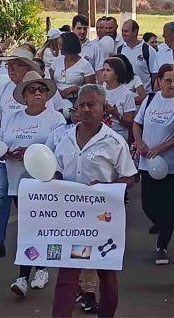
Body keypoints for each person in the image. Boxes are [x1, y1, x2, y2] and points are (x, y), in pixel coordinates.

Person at [51, 85, 137, 318]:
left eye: (92, 105)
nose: (86, 109)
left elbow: (129, 176)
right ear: (76, 108)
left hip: (103, 219)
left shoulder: (113, 141)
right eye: (82, 105)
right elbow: (57, 171)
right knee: (68, 276)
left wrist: (104, 188)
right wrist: (51, 183)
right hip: (72, 218)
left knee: (106, 273)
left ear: (103, 109)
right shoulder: (66, 139)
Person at [0, 48, 63, 259]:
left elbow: (50, 122)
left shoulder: (44, 93)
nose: (10, 68)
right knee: (2, 196)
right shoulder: (6, 88)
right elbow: (0, 120)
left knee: (37, 211)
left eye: (15, 64)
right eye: (8, 65)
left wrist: (35, 151)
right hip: (8, 155)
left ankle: (43, 254)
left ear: (28, 67)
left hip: (36, 165)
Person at [0, 71, 65, 298]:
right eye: (32, 90)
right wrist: (5, 152)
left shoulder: (56, 118)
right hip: (19, 182)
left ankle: (24, 276)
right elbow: (2, 139)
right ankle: (41, 268)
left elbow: (56, 146)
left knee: (32, 227)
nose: (37, 93)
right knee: (30, 227)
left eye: (42, 89)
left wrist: (29, 152)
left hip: (43, 182)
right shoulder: (14, 117)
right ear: (24, 96)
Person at [133, 64, 174, 265]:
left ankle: (163, 244)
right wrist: (139, 142)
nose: (172, 84)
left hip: (171, 163)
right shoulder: (150, 99)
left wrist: (162, 148)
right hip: (148, 161)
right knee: (148, 204)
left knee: (166, 205)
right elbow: (137, 123)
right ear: (159, 81)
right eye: (168, 80)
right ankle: (166, 223)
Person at [51, 32, 97, 101]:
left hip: (75, 99)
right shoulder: (57, 61)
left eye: (61, 45)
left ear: (68, 45)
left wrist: (75, 88)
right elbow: (50, 79)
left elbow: (91, 89)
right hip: (56, 98)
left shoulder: (85, 65)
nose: (59, 47)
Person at [101, 57, 137, 139]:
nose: (104, 73)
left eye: (108, 70)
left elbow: (130, 122)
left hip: (119, 135)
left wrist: (116, 114)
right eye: (103, 70)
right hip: (101, 133)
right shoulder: (100, 91)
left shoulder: (127, 94)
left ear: (117, 74)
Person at [119, 20, 157, 94]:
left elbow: (154, 75)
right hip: (125, 97)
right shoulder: (119, 50)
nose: (123, 34)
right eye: (122, 31)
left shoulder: (148, 50)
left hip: (145, 97)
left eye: (126, 31)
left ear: (135, 32)